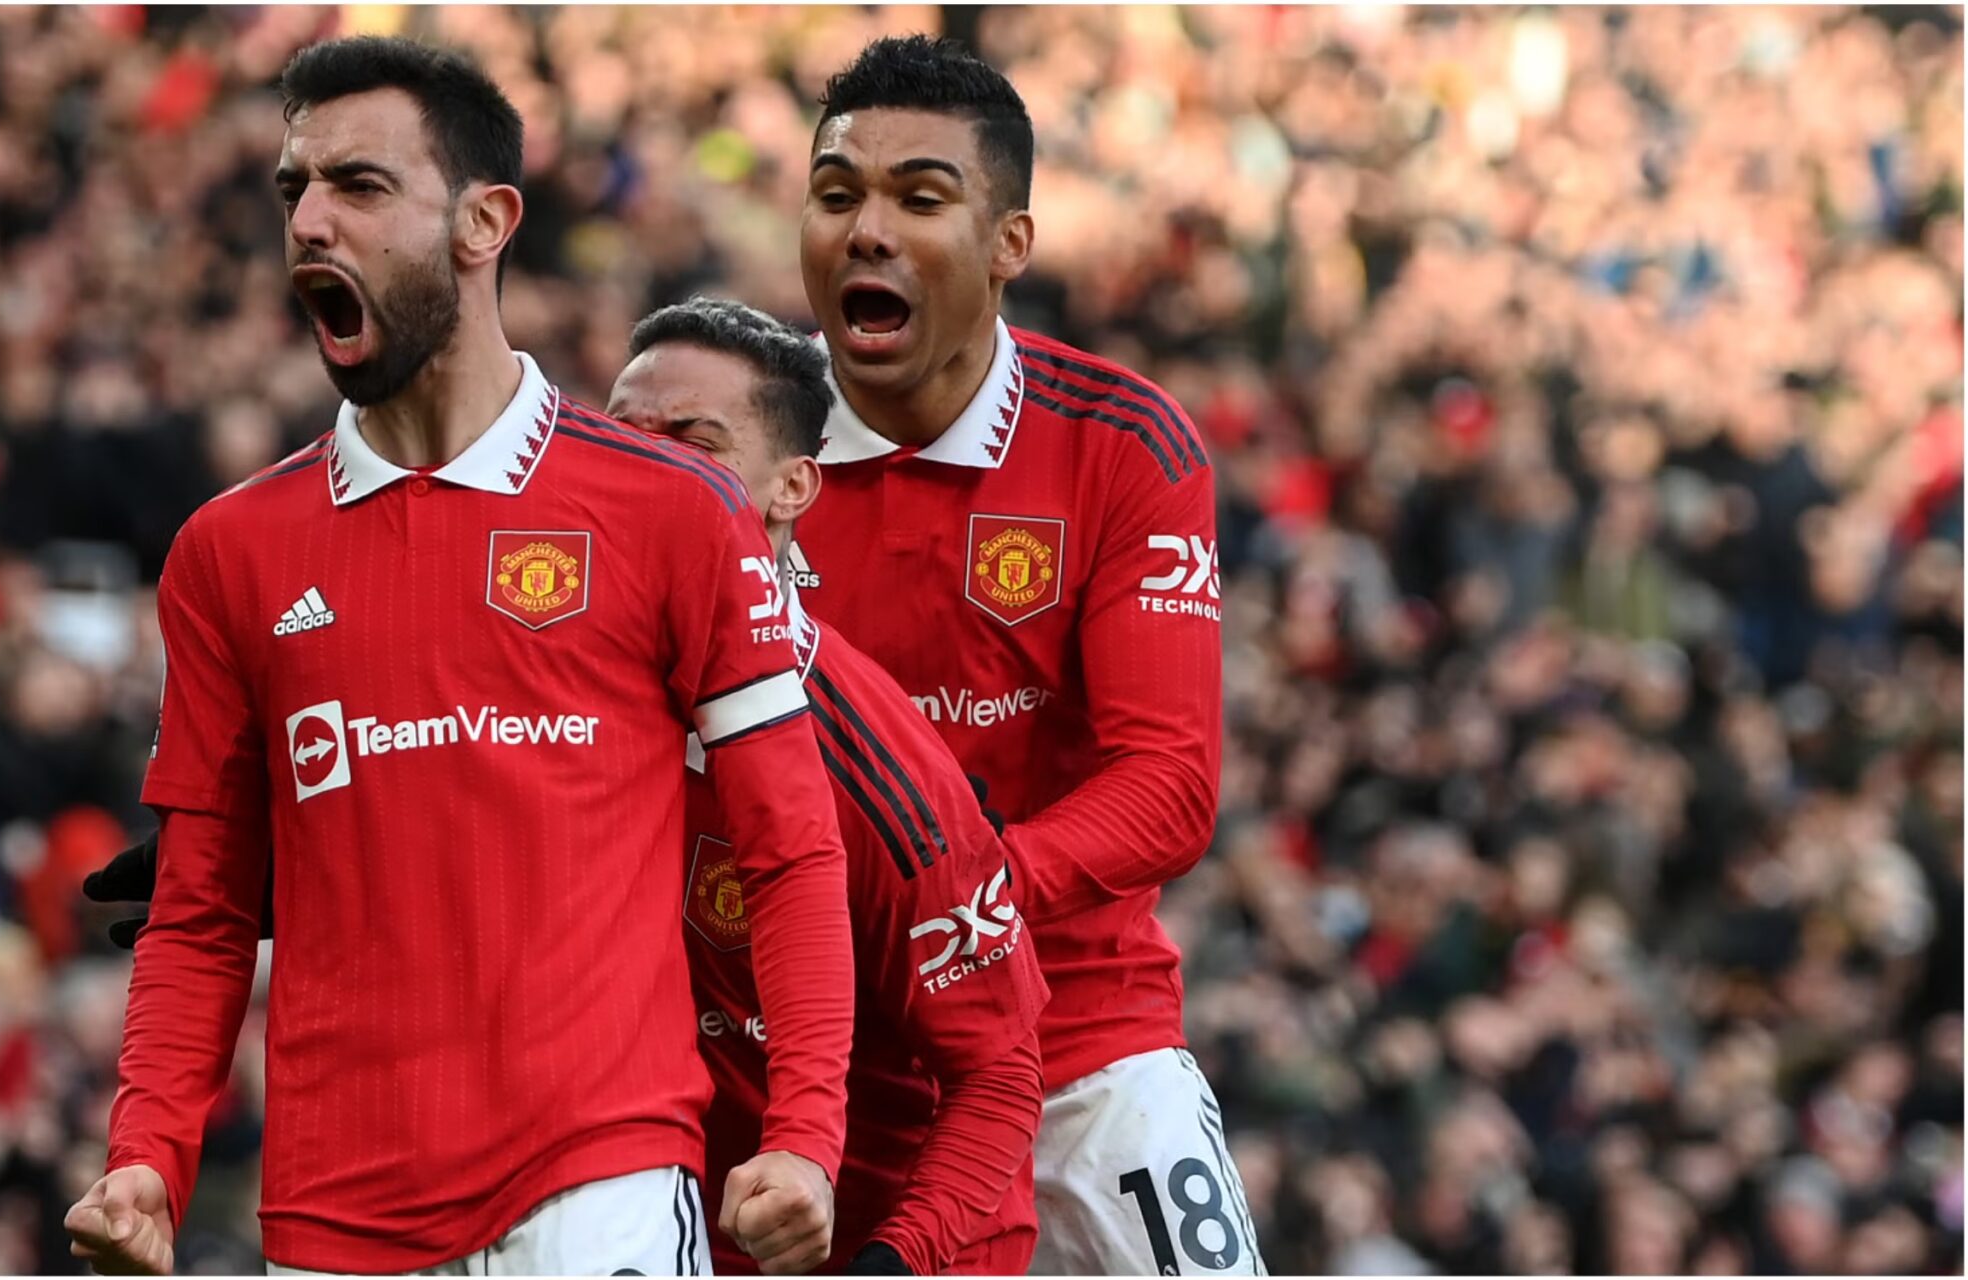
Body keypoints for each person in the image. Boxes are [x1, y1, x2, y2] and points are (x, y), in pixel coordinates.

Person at [64, 37, 855, 1278]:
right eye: (293, 189)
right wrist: (148, 1152)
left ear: (484, 222)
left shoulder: (670, 507)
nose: (309, 222)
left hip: (600, 1186)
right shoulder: (230, 551)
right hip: (332, 1219)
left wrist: (804, 1134)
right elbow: (201, 908)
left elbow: (791, 847)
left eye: (359, 186)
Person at [788, 36, 1259, 1276]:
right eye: (836, 195)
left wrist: (973, 895)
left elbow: (1169, 785)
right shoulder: (732, 448)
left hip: (1081, 1045)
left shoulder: (1122, 442)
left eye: (918, 198)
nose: (867, 230)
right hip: (823, 1060)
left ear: (1009, 244)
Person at [610, 298, 1051, 1276]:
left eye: (692, 443)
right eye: (620, 435)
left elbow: (998, 1076)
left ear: (790, 487)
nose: (640, 469)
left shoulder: (876, 768)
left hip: (880, 1239)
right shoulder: (551, 703)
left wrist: (890, 1260)